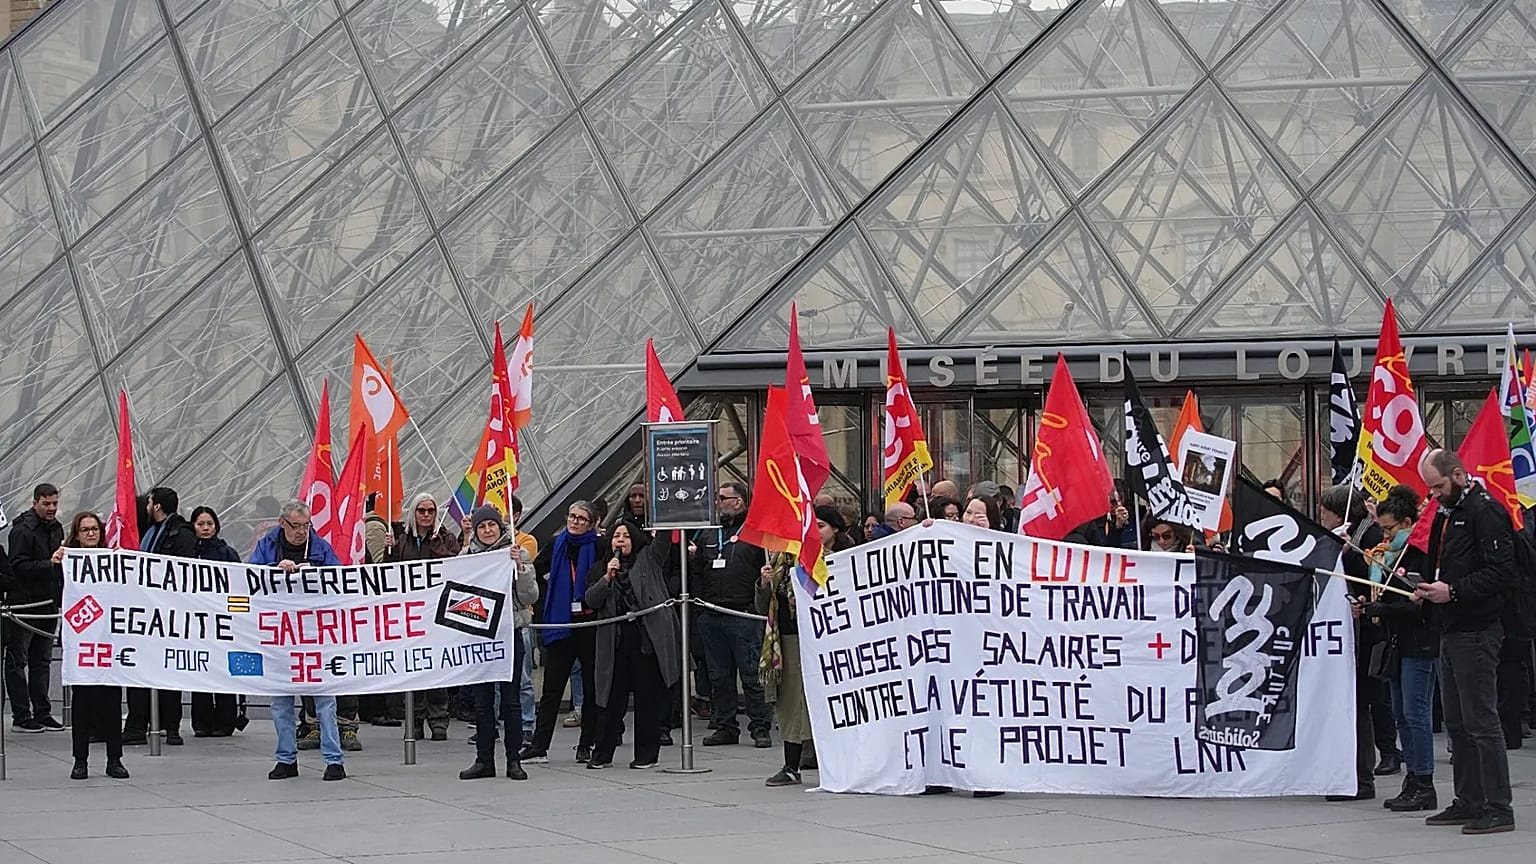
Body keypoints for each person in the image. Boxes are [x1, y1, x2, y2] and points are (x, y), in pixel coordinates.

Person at [1417, 450, 1517, 834]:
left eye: (1439, 486)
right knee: (1457, 723)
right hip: (1452, 626)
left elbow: (1501, 572)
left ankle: (1497, 805)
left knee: (1481, 721)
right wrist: (1428, 589)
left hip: (1476, 627)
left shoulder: (1484, 511)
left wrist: (1454, 591)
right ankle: (1469, 799)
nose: (1434, 495)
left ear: (1458, 475)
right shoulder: (1451, 512)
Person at [251, 500, 346, 781]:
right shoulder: (266, 546)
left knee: (325, 701)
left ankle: (334, 761)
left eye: (306, 526)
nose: (302, 532)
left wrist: (314, 573)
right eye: (296, 526)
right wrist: (273, 568)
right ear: (283, 523)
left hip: (314, 635)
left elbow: (340, 581)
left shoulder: (321, 548)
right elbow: (251, 577)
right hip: (280, 638)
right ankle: (286, 759)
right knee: (280, 701)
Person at [759, 506, 851, 787]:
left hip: (827, 644)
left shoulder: (842, 562)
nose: (814, 532)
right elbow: (764, 606)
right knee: (790, 703)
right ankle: (790, 764)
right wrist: (765, 584)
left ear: (834, 529)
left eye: (820, 526)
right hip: (788, 640)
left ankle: (836, 762)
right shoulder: (783, 562)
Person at [1363, 485, 1440, 812]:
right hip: (1397, 642)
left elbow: (1415, 604)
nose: (1384, 534)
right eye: (1381, 528)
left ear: (1408, 522)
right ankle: (1412, 777)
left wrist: (1379, 610)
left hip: (1419, 642)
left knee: (1415, 712)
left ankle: (1424, 779)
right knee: (1400, 714)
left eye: (1389, 528)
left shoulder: (1417, 550)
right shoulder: (1387, 556)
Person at [586, 523, 679, 770]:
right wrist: (607, 578)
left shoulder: (649, 559)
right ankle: (602, 753)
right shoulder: (601, 568)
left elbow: (664, 541)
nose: (621, 540)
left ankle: (646, 755)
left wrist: (664, 515)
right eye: (616, 536)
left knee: (647, 700)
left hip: (645, 643)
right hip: (615, 644)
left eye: (626, 536)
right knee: (610, 701)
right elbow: (591, 600)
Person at [523, 500, 609, 764]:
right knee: (552, 689)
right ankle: (539, 746)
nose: (575, 522)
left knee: (592, 689)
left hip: (589, 624)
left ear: (593, 523)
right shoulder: (556, 543)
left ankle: (586, 744)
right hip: (560, 623)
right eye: (572, 516)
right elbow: (536, 572)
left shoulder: (599, 545)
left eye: (582, 519)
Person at [1318, 483, 1387, 802]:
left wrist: (1349, 555)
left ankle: (1361, 776)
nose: (1321, 515)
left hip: (1364, 633)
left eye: (1325, 510)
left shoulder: (1368, 537)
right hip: (1346, 632)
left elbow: (1373, 577)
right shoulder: (1348, 534)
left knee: (1358, 703)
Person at [459, 505, 537, 781]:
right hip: (480, 635)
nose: (488, 530)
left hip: (509, 633)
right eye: (482, 526)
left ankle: (513, 760)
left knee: (511, 700)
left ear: (500, 527)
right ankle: (484, 760)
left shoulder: (517, 553)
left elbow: (530, 596)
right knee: (481, 702)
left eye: (492, 525)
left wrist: (520, 567)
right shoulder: (466, 556)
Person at [693, 483, 772, 748]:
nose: (718, 502)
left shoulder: (755, 533)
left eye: (722, 498)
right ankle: (725, 726)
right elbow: (696, 572)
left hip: (744, 614)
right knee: (719, 676)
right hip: (712, 613)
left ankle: (760, 727)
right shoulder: (708, 533)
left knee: (751, 676)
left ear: (738, 502)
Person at [52, 512, 129, 779]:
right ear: (76, 533)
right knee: (82, 705)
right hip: (82, 643)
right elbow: (57, 593)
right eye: (85, 530)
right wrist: (55, 565)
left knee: (111, 703)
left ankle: (114, 759)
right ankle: (80, 760)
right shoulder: (68, 562)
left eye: (94, 529)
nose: (90, 534)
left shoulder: (111, 560)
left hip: (108, 642)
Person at [122, 487, 198, 746]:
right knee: (143, 668)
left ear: (156, 506)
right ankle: (140, 723)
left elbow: (184, 571)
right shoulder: (156, 531)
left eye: (149, 502)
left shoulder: (180, 534)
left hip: (167, 611)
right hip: (147, 609)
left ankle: (169, 725)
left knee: (168, 670)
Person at [391, 493, 460, 740]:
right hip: (410, 613)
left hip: (438, 611)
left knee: (437, 667)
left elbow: (455, 565)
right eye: (422, 510)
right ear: (414, 512)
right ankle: (415, 718)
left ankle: (439, 720)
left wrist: (436, 545)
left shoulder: (445, 538)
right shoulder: (402, 540)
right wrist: (389, 550)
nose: (426, 515)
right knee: (413, 667)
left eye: (431, 510)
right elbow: (388, 574)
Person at [5, 483, 64, 734]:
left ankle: (42, 712)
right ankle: (21, 714)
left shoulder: (55, 528)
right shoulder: (23, 531)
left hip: (47, 603)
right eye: (47, 503)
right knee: (18, 660)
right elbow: (17, 567)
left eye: (54, 503)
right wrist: (48, 564)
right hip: (25, 604)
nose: (51, 508)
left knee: (42, 660)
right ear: (35, 502)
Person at [188, 506, 244, 738]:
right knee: (200, 669)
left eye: (209, 524)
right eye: (200, 524)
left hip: (223, 621)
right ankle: (201, 722)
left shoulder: (227, 553)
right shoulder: (187, 553)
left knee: (222, 670)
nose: (205, 528)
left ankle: (225, 720)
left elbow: (240, 588)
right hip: (196, 620)